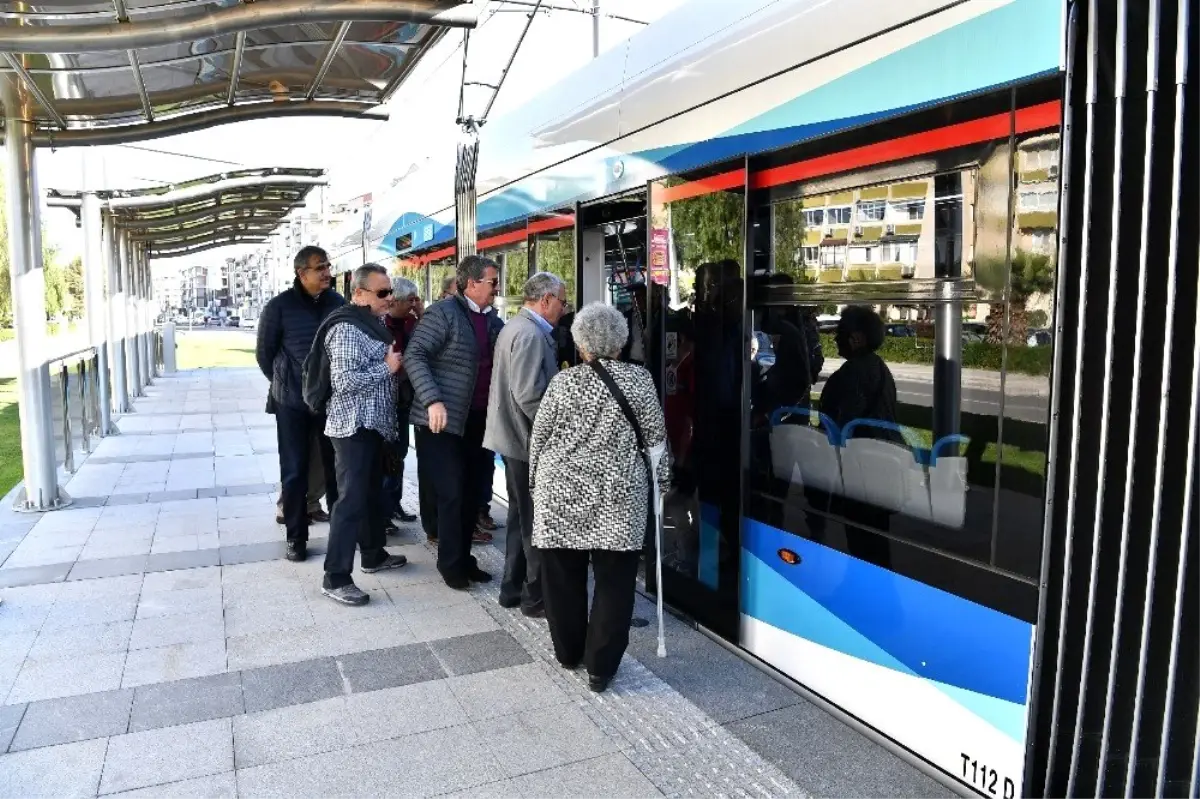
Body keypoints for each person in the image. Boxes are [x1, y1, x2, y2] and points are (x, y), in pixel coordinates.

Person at [529, 302, 670, 693]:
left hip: (561, 493)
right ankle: (601, 668)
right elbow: (656, 444)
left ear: (580, 343)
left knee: (561, 580)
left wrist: (534, 486)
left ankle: (569, 652)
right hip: (618, 498)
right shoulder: (639, 381)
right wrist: (663, 485)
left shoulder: (563, 382)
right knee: (614, 583)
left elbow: (538, 440)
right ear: (621, 343)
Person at [405, 255, 502, 589]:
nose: (496, 287)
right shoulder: (443, 313)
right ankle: (451, 566)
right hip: (441, 423)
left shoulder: (491, 319)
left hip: (477, 420)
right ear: (471, 283)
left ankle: (464, 559)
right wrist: (433, 400)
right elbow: (414, 356)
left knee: (472, 494)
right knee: (452, 493)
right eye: (492, 281)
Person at [316, 263, 410, 605]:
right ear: (358, 293)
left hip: (372, 426)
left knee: (370, 495)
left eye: (390, 292)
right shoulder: (346, 328)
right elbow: (344, 382)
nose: (389, 298)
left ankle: (373, 555)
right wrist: (386, 368)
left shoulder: (373, 323)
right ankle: (335, 576)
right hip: (352, 427)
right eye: (383, 293)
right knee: (350, 502)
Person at [484, 272, 568, 618]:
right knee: (534, 523)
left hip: (513, 438)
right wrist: (558, 431)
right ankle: (535, 598)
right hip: (524, 441)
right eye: (562, 302)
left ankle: (511, 590)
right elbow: (529, 395)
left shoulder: (518, 327)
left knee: (521, 519)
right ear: (545, 299)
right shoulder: (531, 335)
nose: (564, 309)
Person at [256, 245, 344, 562]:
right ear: (300, 272)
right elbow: (264, 355)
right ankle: (296, 538)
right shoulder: (278, 307)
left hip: (329, 403)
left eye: (328, 266)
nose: (327, 273)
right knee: (294, 472)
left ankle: (342, 538)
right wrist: (288, 384)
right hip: (291, 404)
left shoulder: (337, 303)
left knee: (335, 470)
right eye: (320, 267)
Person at [381, 277, 421, 525]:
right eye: (410, 300)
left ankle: (394, 505)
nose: (413, 305)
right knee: (385, 457)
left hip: (404, 401)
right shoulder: (380, 323)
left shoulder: (411, 322)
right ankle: (383, 511)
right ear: (395, 300)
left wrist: (421, 313)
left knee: (400, 454)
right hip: (385, 402)